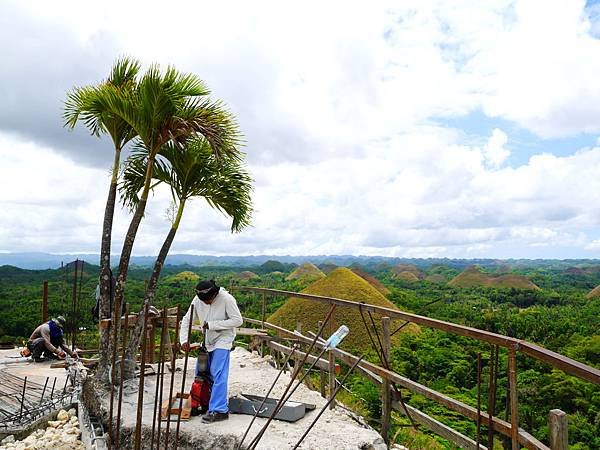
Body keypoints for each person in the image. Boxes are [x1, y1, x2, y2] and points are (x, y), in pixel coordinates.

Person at [180, 279, 243, 423]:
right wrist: (184, 341)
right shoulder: (197, 300)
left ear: (214, 294)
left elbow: (238, 320)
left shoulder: (227, 299)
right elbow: (186, 320)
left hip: (223, 338)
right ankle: (201, 403)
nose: (206, 303)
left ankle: (219, 410)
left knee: (217, 371)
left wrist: (213, 325)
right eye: (204, 301)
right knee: (201, 372)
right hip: (207, 340)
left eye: (208, 300)